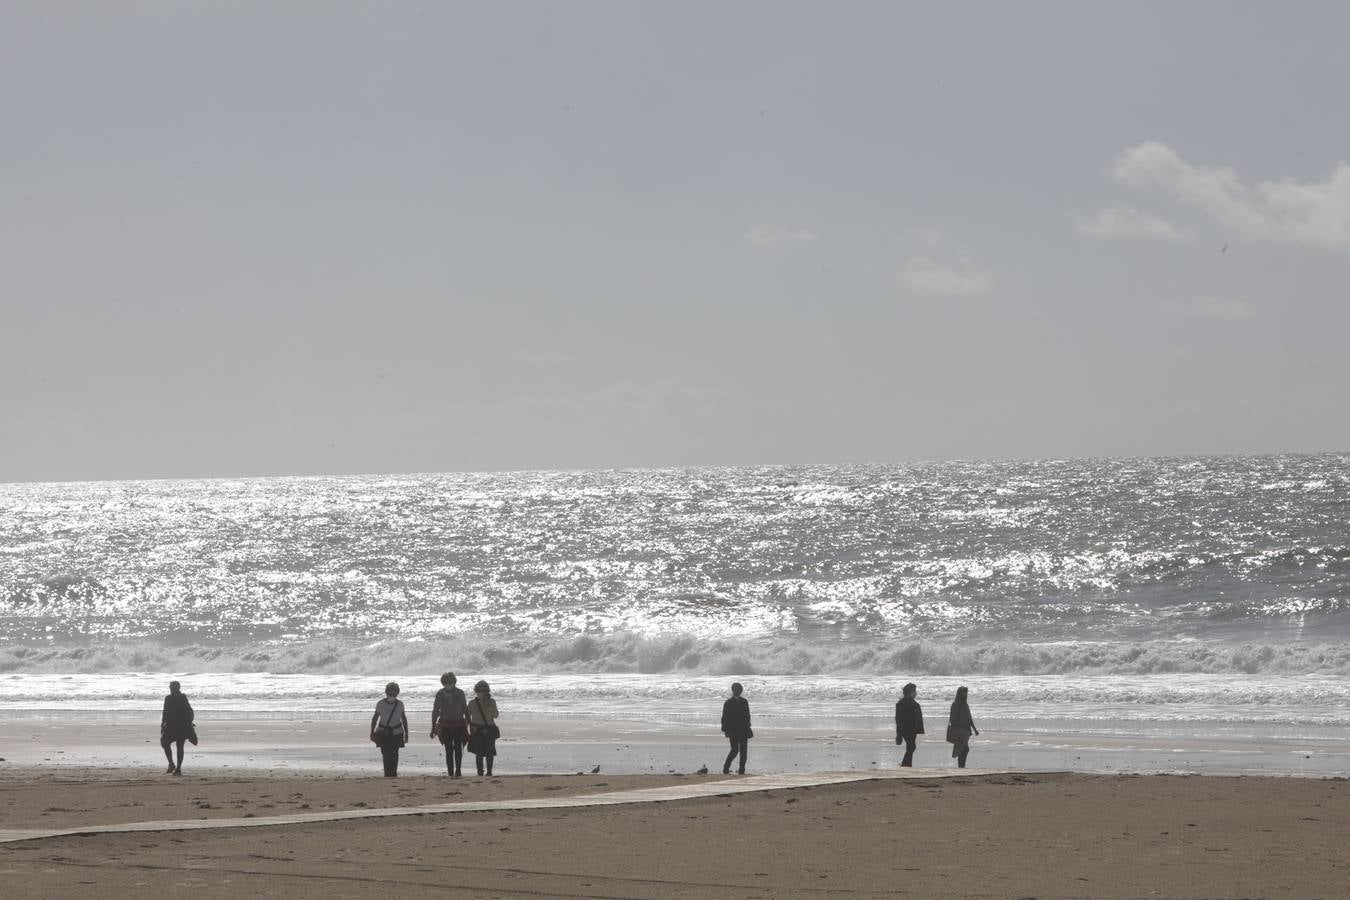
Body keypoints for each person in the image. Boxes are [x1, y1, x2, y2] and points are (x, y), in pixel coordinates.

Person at [431, 672, 470, 777]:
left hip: (459, 725)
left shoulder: (460, 693)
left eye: (450, 682)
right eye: (446, 683)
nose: (448, 684)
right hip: (445, 725)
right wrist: (433, 727)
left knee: (458, 749)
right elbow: (435, 711)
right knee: (448, 750)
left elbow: (465, 709)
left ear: (454, 682)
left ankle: (458, 770)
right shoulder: (440, 694)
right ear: (443, 683)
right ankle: (450, 772)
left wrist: (468, 724)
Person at [369, 682, 409, 777]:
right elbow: (375, 718)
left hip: (397, 732)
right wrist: (372, 732)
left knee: (395, 754)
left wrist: (406, 733)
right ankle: (387, 774)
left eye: (394, 694)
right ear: (386, 693)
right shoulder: (380, 703)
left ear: (397, 693)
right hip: (383, 733)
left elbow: (404, 719)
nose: (392, 696)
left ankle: (393, 773)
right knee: (385, 754)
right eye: (390, 694)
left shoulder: (400, 704)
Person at [160, 680, 195, 776]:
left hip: (180, 725)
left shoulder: (181, 697)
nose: (170, 689)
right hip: (174, 725)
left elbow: (189, 710)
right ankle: (172, 764)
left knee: (179, 746)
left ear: (177, 688)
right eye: (170, 687)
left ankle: (178, 768)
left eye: (172, 687)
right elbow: (165, 712)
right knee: (165, 742)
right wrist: (163, 724)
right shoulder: (169, 698)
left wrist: (189, 723)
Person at [467, 680, 500, 776]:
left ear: (487, 691)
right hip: (477, 730)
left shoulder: (492, 701)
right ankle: (480, 772)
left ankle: (489, 772)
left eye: (484, 691)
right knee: (479, 753)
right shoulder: (472, 703)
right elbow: (467, 716)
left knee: (490, 753)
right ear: (476, 691)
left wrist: (490, 706)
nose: (482, 693)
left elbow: (496, 715)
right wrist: (469, 728)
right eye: (480, 691)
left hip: (489, 729)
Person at [720, 682, 752, 775]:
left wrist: (748, 726)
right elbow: (724, 717)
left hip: (743, 729)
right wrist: (725, 730)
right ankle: (726, 766)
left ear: (741, 691)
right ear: (733, 691)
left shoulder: (745, 701)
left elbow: (747, 715)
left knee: (743, 751)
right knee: (734, 750)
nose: (737, 691)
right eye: (735, 690)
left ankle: (742, 770)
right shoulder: (728, 703)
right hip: (733, 730)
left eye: (739, 690)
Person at [947, 685, 979, 768]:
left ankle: (961, 767)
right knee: (964, 749)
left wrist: (975, 729)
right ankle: (961, 767)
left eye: (966, 693)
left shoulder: (965, 705)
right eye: (964, 693)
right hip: (959, 731)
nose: (966, 694)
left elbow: (969, 718)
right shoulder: (955, 705)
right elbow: (952, 719)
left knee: (963, 749)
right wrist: (957, 728)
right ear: (959, 694)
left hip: (966, 731)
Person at [895, 682, 924, 767]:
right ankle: (905, 764)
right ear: (910, 692)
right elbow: (898, 718)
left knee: (911, 746)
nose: (915, 693)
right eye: (914, 691)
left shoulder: (906, 702)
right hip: (907, 728)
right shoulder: (904, 703)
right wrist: (898, 732)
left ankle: (907, 764)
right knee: (911, 746)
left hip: (911, 728)